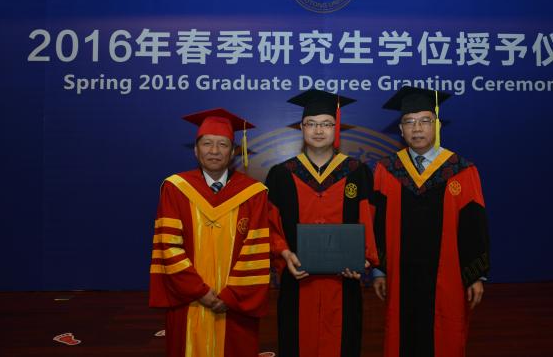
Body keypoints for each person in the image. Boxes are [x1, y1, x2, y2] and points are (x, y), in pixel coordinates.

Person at [372, 87, 490, 357]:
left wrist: (475, 275)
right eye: (409, 122)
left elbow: (475, 226)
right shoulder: (387, 170)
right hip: (400, 276)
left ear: (437, 125)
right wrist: (379, 270)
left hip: (448, 277)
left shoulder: (461, 169)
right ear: (401, 130)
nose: (417, 128)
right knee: (401, 334)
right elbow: (376, 222)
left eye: (425, 120)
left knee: (444, 334)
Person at [266, 89, 380, 357]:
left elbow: (370, 221)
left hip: (343, 283)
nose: (319, 130)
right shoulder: (281, 175)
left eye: (327, 124)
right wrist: (284, 253)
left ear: (336, 128)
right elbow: (269, 226)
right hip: (297, 282)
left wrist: (363, 259)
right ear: (301, 127)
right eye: (311, 124)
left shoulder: (357, 173)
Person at [149, 108, 270, 357]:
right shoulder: (175, 188)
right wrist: (200, 292)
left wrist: (232, 296)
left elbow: (256, 249)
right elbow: (168, 246)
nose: (214, 151)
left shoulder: (253, 193)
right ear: (196, 150)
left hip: (235, 304)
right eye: (207, 144)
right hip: (188, 300)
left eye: (222, 144)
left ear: (233, 151)